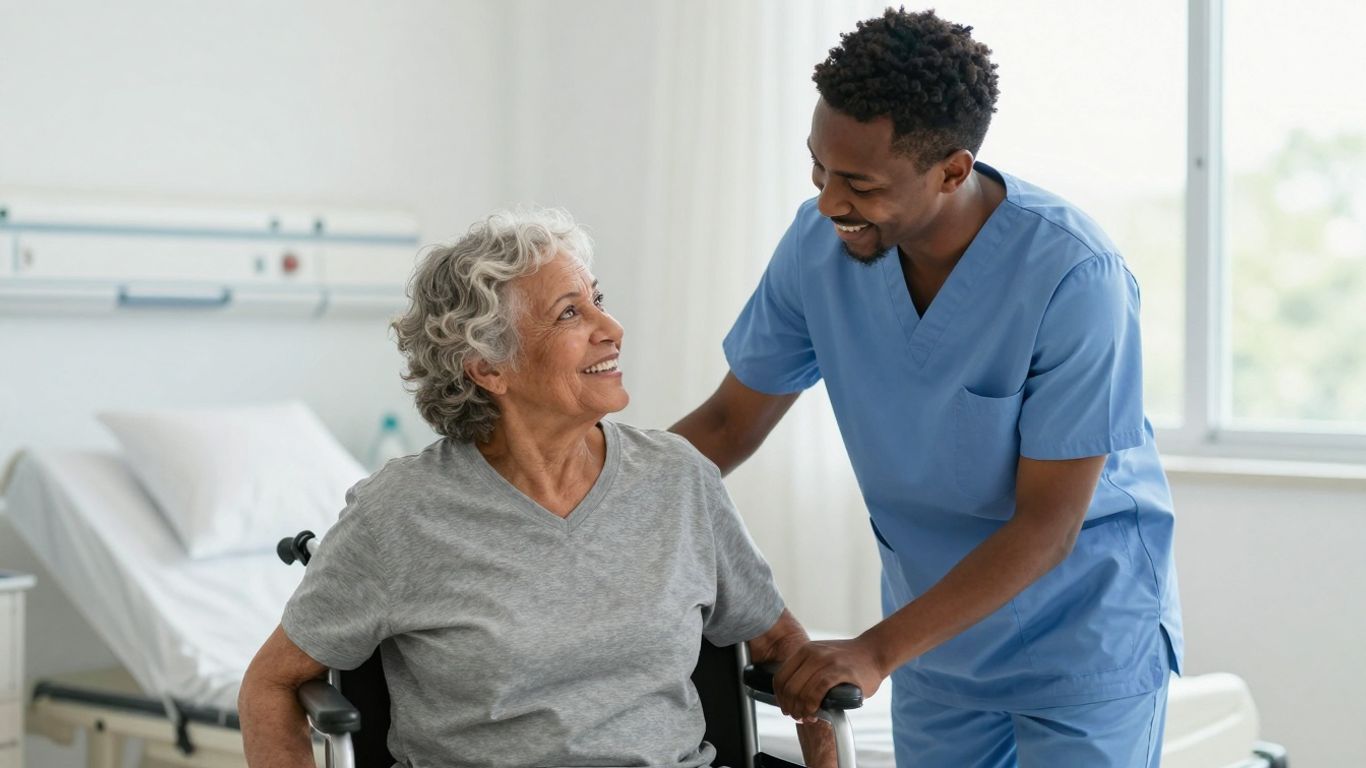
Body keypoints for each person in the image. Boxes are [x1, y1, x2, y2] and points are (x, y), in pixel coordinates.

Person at [671, 9, 1182, 768]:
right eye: (818, 168)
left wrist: (876, 652)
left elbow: (1048, 524)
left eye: (860, 183)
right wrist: (581, 491)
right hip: (939, 646)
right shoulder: (818, 249)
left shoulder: (1074, 275)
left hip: (1080, 637)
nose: (828, 203)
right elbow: (726, 423)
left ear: (952, 168)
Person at [238, 208, 831, 768]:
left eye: (597, 300)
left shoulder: (679, 480)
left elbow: (786, 650)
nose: (613, 329)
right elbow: (271, 683)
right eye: (570, 313)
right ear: (489, 367)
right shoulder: (399, 514)